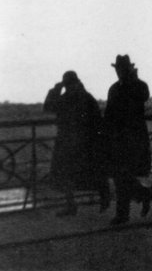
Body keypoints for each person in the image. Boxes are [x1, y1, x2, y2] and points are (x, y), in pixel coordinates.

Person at [43, 71, 110, 217]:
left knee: (73, 174)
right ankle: (97, 198)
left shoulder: (69, 98)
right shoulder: (84, 97)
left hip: (76, 143)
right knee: (74, 174)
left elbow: (47, 106)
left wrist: (56, 89)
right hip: (78, 143)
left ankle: (79, 203)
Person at [103, 54, 152, 225]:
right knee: (121, 176)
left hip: (134, 139)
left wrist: (132, 79)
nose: (118, 72)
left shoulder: (139, 86)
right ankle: (142, 196)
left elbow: (143, 96)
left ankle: (124, 213)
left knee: (122, 175)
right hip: (119, 139)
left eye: (121, 69)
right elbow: (109, 114)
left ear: (129, 69)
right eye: (117, 69)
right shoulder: (114, 88)